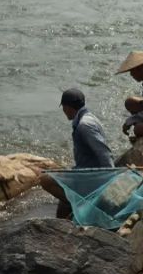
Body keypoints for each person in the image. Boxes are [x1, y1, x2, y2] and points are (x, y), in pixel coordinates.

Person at [39, 88, 115, 219]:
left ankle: (84, 204)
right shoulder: (89, 118)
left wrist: (109, 182)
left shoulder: (85, 125)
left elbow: (104, 153)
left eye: (63, 107)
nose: (63, 111)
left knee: (46, 179)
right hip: (86, 172)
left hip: (92, 178)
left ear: (67, 107)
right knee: (62, 203)